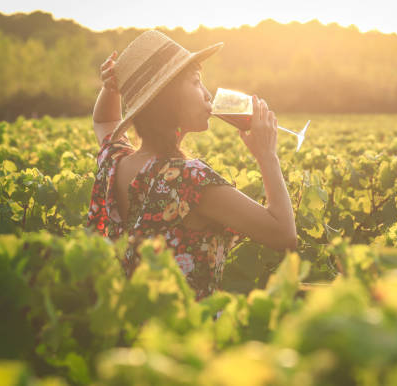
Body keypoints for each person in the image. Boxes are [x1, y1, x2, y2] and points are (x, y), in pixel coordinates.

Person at [87, 30, 297, 302]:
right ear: (166, 98)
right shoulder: (189, 181)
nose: (208, 95)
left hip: (133, 328)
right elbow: (282, 234)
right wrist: (268, 156)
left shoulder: (114, 162)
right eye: (197, 82)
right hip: (190, 333)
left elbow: (104, 121)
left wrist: (112, 88)